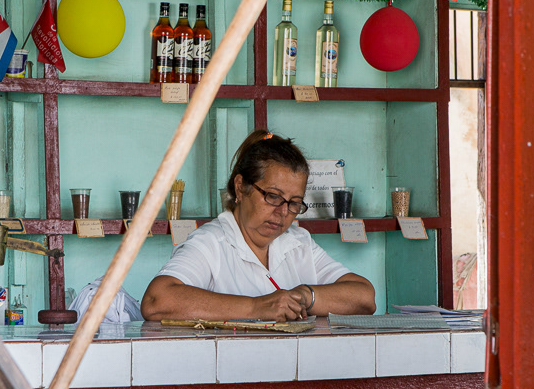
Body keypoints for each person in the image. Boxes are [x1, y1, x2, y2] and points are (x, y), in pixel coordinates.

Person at [141, 130, 376, 322]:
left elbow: (365, 297)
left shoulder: (297, 242)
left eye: (294, 203)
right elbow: (156, 301)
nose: (283, 212)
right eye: (273, 197)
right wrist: (255, 307)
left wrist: (305, 296)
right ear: (241, 187)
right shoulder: (212, 242)